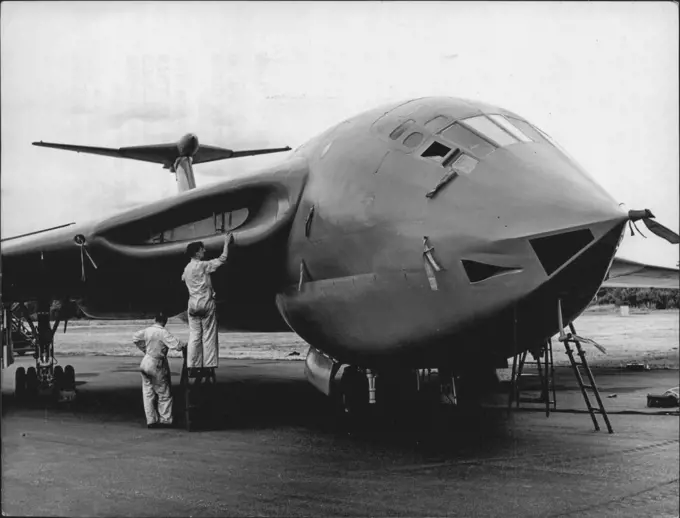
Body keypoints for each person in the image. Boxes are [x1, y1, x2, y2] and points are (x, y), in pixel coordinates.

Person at [181, 233, 232, 369]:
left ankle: (193, 364)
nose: (204, 251)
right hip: (205, 302)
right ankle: (210, 363)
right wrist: (226, 243)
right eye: (202, 249)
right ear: (197, 253)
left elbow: (183, 279)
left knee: (194, 336)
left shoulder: (186, 269)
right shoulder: (203, 265)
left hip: (192, 304)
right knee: (209, 334)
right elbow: (222, 258)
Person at [132, 313, 186, 428]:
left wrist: (144, 349)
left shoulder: (147, 330)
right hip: (157, 363)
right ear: (165, 320)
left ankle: (151, 420)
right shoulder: (163, 332)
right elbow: (177, 346)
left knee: (148, 392)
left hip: (146, 360)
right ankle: (166, 419)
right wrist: (185, 345)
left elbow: (135, 337)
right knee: (164, 393)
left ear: (155, 319)